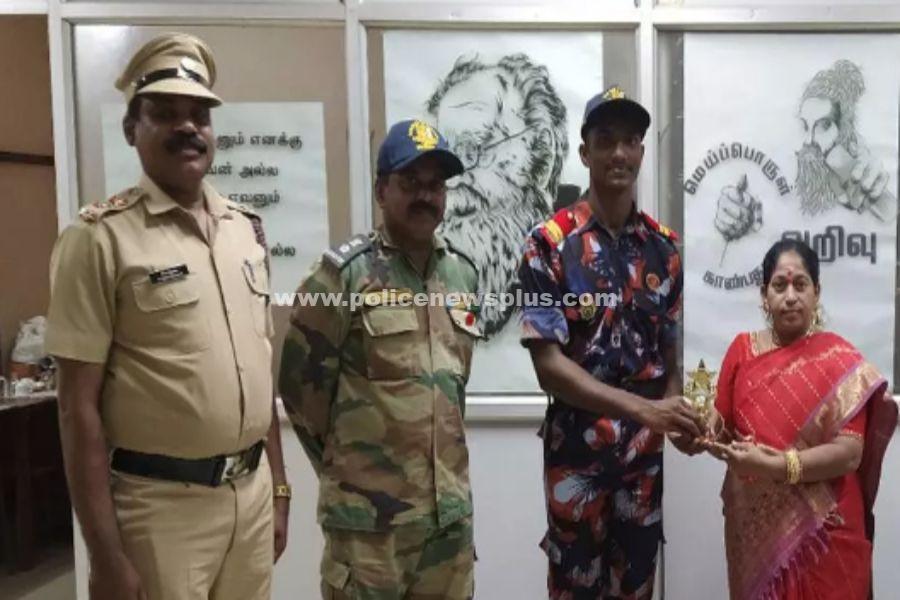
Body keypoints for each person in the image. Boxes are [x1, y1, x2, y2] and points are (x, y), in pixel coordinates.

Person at [45, 33, 289, 600]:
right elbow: (77, 408)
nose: (188, 127)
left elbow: (260, 372)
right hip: (160, 512)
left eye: (200, 115)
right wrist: (105, 556)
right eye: (165, 113)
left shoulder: (245, 230)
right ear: (132, 128)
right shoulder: (99, 239)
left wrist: (279, 490)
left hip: (250, 500)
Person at [279, 119, 480, 599]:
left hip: (448, 524)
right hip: (368, 531)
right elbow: (301, 394)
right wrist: (355, 474)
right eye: (410, 182)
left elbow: (453, 390)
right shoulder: (342, 276)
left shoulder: (462, 275)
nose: (425, 196)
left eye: (436, 185)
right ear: (380, 190)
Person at [518, 85, 703, 599]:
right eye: (605, 140)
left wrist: (676, 415)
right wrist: (645, 410)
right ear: (585, 153)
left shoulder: (665, 249)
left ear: (642, 152)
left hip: (643, 467)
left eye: (630, 141)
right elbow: (549, 367)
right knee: (575, 589)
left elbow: (670, 357)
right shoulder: (548, 244)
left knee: (637, 589)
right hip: (576, 457)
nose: (619, 153)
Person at [705, 238, 897, 600]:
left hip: (827, 530)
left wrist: (779, 466)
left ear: (816, 292)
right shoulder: (742, 351)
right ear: (764, 295)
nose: (790, 296)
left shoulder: (840, 360)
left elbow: (850, 453)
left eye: (800, 285)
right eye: (779, 286)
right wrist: (701, 431)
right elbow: (722, 429)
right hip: (758, 532)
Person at [427, 54, 568, 338]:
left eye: (473, 150)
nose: (451, 182)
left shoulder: (581, 273)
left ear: (541, 156)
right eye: (444, 161)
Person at [794, 59, 894, 219]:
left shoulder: (854, 161)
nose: (808, 140)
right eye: (806, 126)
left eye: (823, 126)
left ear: (844, 130)